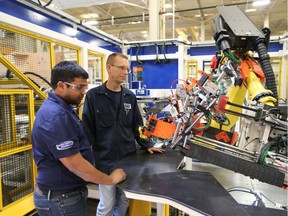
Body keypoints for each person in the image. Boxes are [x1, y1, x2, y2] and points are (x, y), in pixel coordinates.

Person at [32, 61, 126, 216]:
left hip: (65, 194)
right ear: (62, 86)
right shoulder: (56, 115)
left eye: (85, 87)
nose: (84, 91)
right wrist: (110, 179)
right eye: (80, 87)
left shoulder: (64, 108)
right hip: (61, 198)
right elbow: (75, 165)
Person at [82, 53, 165, 216]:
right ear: (108, 68)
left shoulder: (129, 96)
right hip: (105, 161)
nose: (125, 72)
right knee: (107, 203)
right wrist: (87, 160)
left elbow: (137, 126)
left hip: (128, 158)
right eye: (121, 68)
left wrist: (147, 145)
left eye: (127, 69)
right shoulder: (94, 96)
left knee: (123, 200)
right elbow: (87, 128)